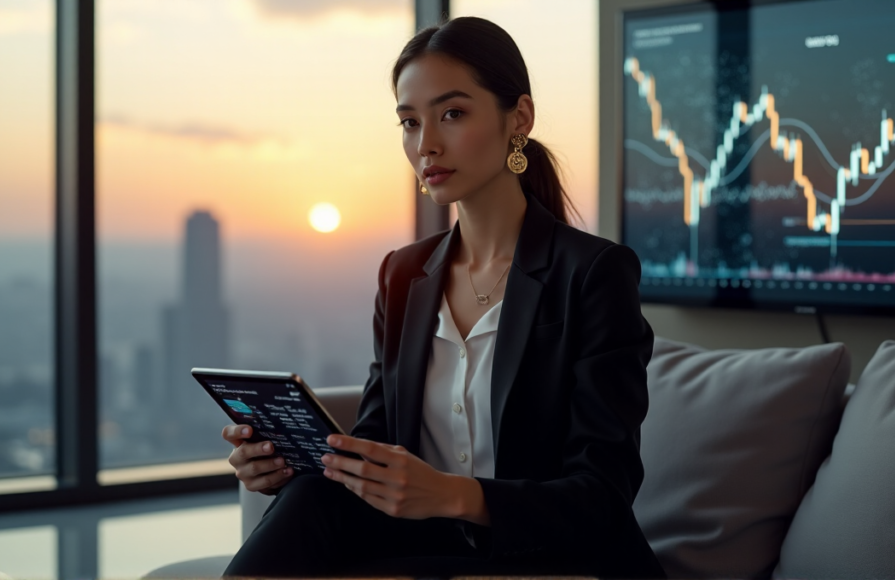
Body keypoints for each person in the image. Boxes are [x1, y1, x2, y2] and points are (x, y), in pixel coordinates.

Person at [221, 16, 664, 579]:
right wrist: (287, 464)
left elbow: (603, 494)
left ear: (518, 119)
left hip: (553, 553)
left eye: (452, 114)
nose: (425, 144)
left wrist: (453, 495)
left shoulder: (594, 272)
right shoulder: (403, 275)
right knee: (310, 495)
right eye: (409, 122)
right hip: (430, 544)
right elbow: (377, 441)